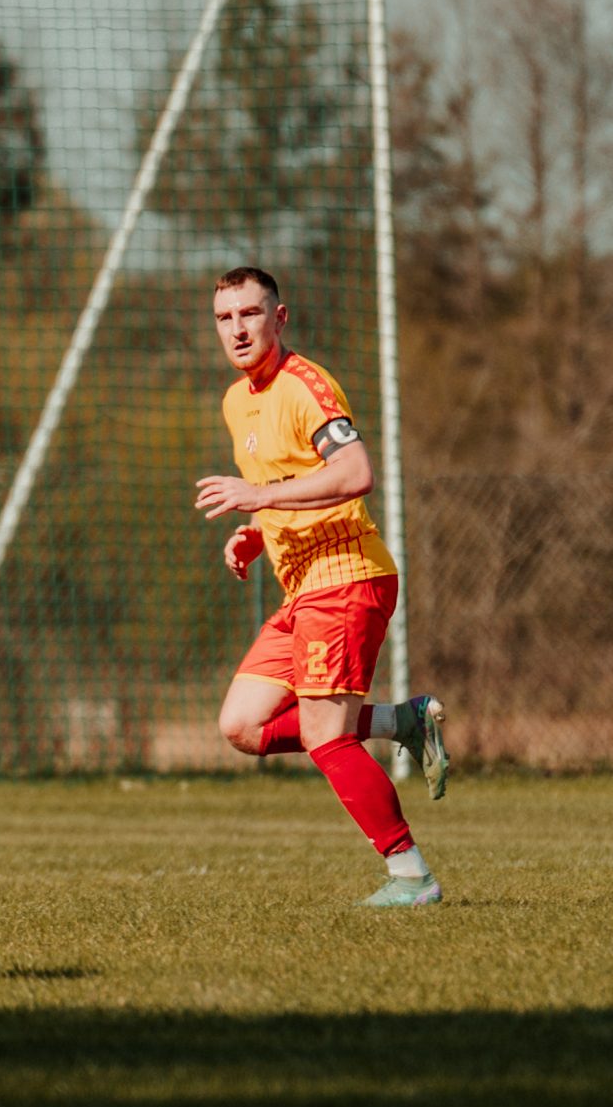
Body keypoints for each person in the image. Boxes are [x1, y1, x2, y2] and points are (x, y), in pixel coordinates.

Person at [193, 265, 451, 907]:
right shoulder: (236, 400)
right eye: (225, 318)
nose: (237, 329)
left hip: (346, 577)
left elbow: (355, 472)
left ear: (278, 318)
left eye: (250, 314)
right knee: (243, 725)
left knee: (325, 736)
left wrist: (258, 497)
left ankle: (412, 877)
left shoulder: (306, 385)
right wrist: (257, 530)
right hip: (302, 588)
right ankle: (400, 720)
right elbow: (287, 483)